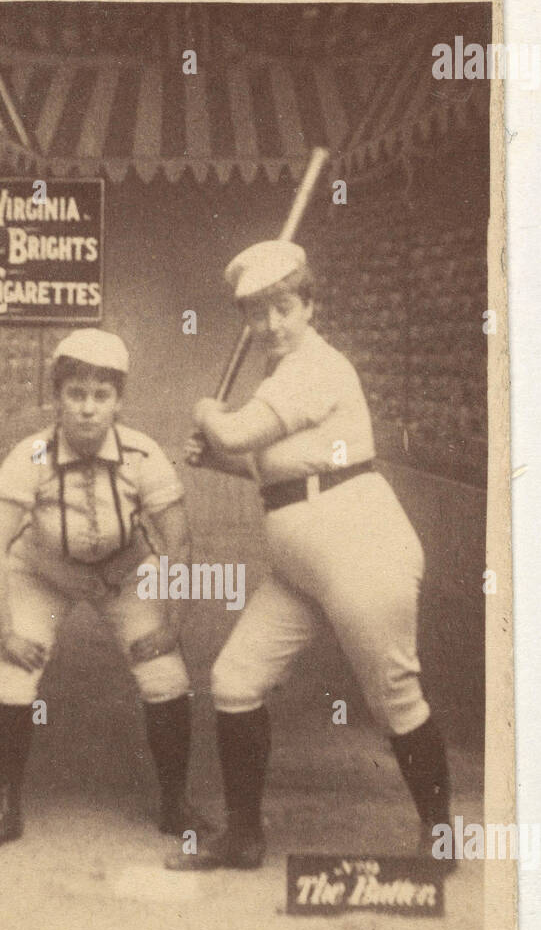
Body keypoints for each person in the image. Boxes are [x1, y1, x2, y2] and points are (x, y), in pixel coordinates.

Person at [173, 239, 451, 872]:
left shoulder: (318, 366)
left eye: (282, 308)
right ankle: (244, 837)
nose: (269, 324)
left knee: (395, 699)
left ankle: (442, 842)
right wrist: (219, 457)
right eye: (255, 312)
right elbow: (283, 474)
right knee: (235, 681)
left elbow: (241, 430)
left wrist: (206, 413)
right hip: (301, 568)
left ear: (309, 306)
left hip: (361, 550)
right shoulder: (283, 376)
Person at [0, 328, 195, 855]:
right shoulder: (30, 455)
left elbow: (179, 544)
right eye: (76, 394)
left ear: (119, 400)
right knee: (10, 676)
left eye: (101, 395)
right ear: (57, 397)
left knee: (166, 676)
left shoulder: (143, 453)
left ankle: (174, 804)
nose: (88, 409)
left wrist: (171, 626)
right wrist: (6, 631)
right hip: (44, 572)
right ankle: (6, 809)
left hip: (124, 571)